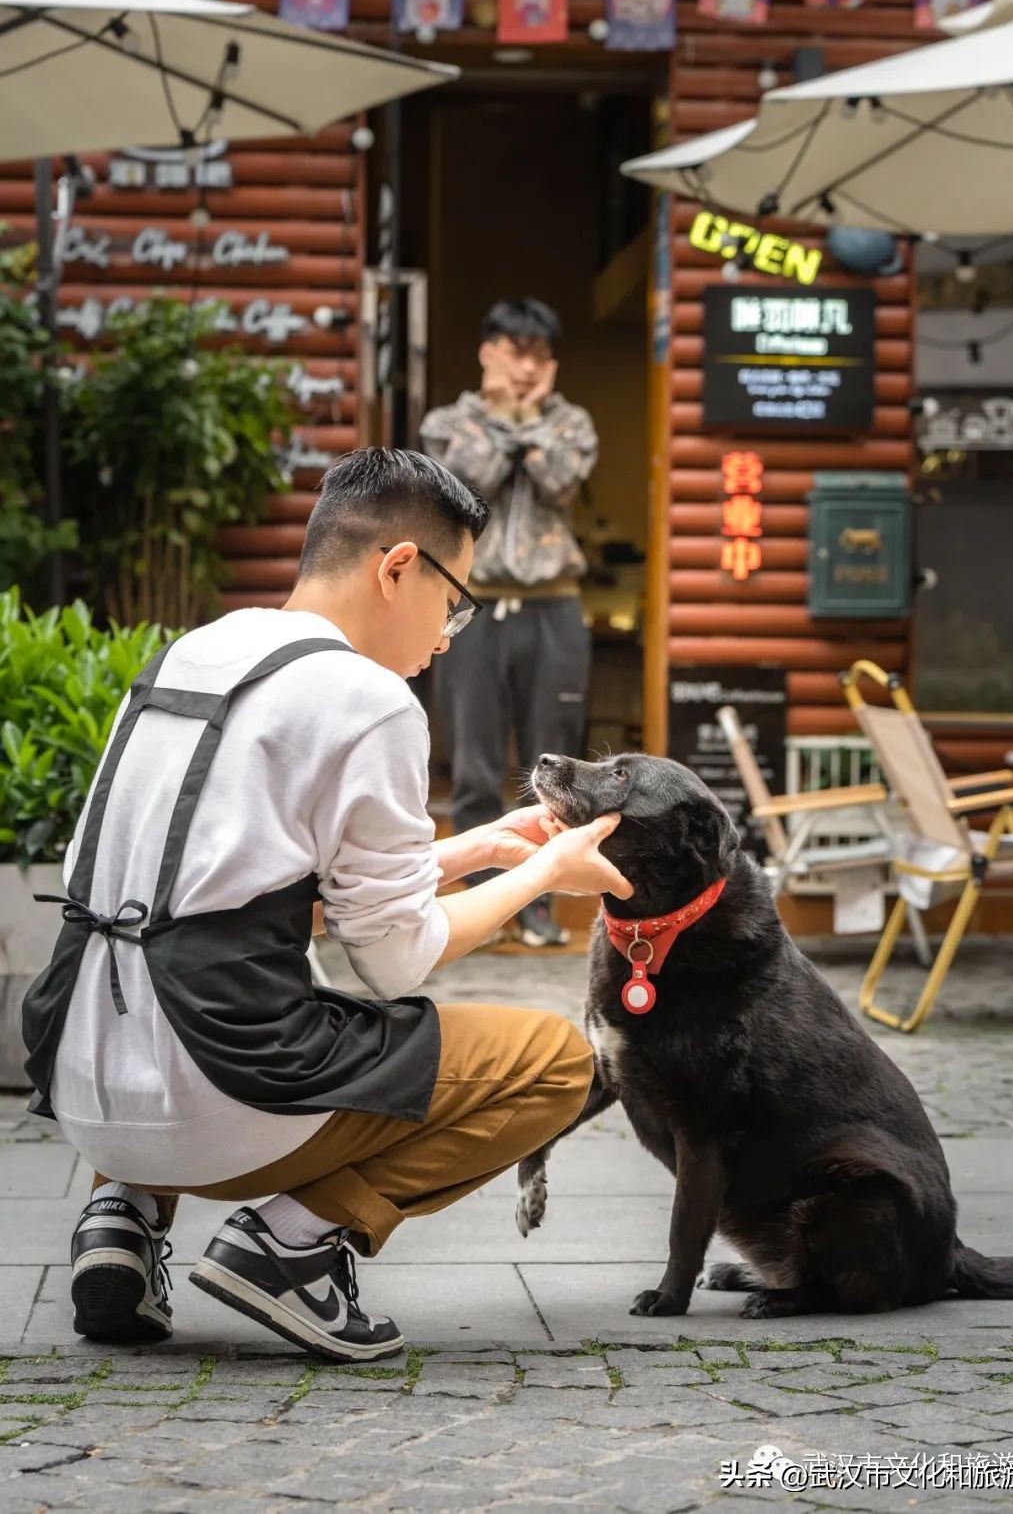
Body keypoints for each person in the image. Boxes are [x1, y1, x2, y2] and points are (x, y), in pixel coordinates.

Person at [22, 448, 630, 1364]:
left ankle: (123, 1218)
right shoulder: (370, 699)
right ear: (397, 568)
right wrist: (545, 879)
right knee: (557, 1062)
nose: (447, 635)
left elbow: (217, 891)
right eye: (455, 602)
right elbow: (392, 960)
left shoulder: (199, 649)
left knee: (178, 963)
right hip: (219, 1088)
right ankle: (293, 1247)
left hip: (81, 1070)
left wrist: (471, 851)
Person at [421, 297, 598, 949]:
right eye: (515, 352)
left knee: (553, 761)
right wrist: (520, 426)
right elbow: (472, 482)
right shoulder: (448, 422)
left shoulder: (573, 422)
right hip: (477, 605)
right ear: (487, 351)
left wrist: (525, 423)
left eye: (540, 356)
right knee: (474, 758)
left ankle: (539, 904)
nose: (527, 368)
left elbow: (559, 478)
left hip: (556, 604)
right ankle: (478, 905)